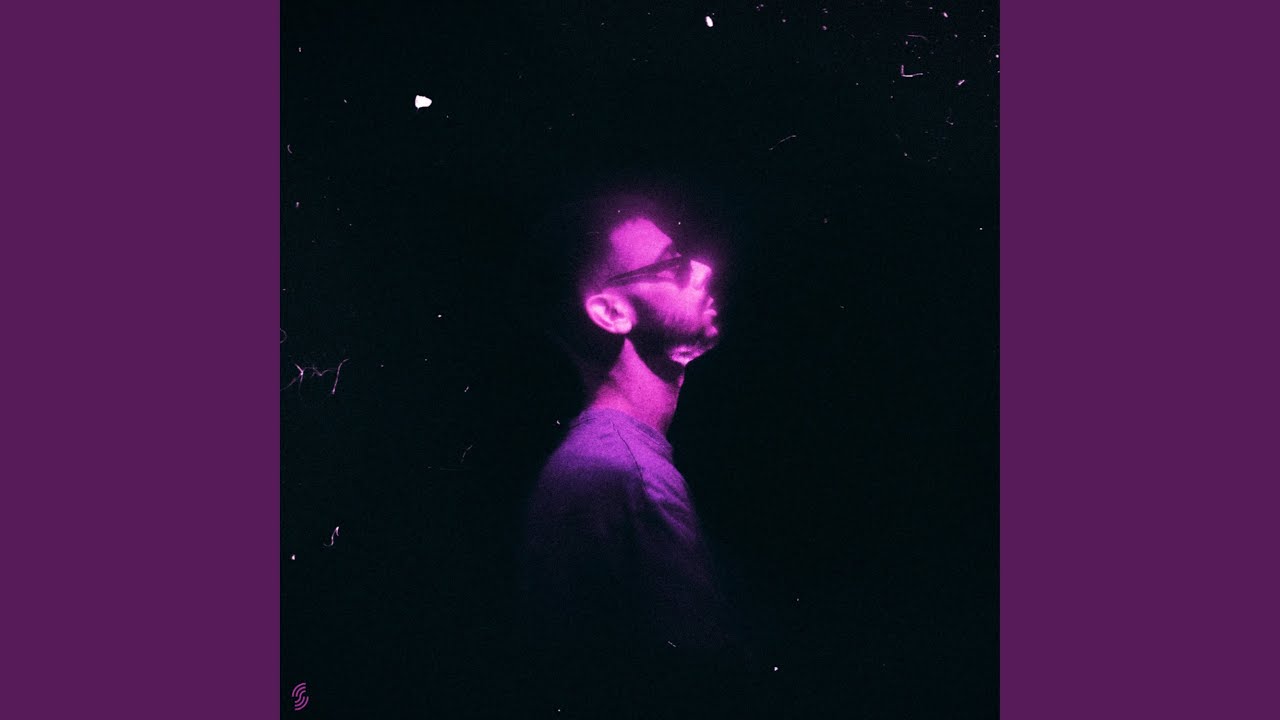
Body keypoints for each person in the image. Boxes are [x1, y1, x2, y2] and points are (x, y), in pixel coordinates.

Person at [517, 195, 742, 714]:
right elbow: (708, 690)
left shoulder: (603, 459)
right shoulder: (630, 476)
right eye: (673, 265)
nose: (703, 270)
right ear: (611, 312)